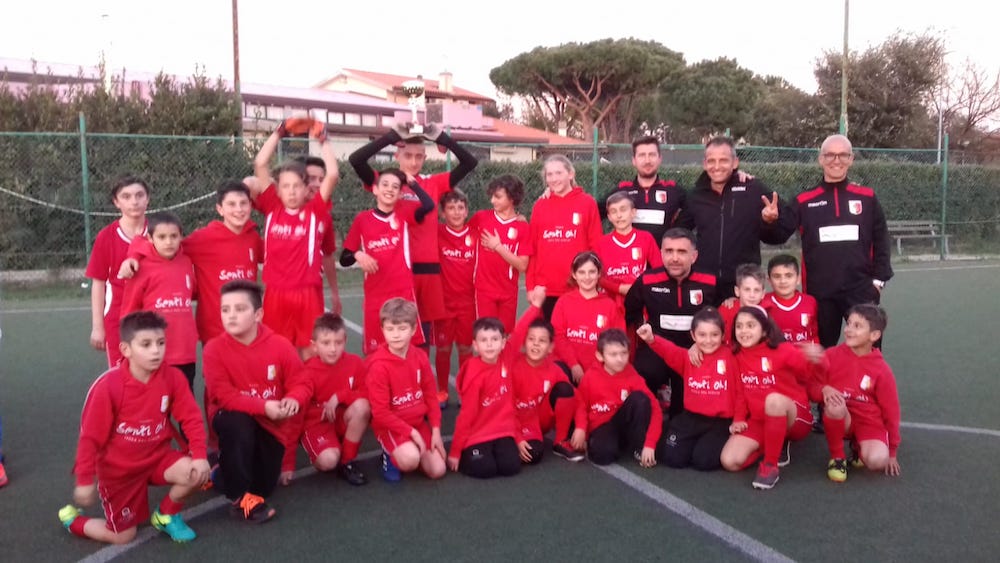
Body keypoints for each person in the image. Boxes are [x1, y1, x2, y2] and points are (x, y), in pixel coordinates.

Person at [59, 311, 209, 544]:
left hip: (156, 459)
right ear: (126, 349)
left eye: (160, 343)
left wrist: (199, 455)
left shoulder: (173, 378)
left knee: (194, 472)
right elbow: (90, 439)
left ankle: (166, 515)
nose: (155, 351)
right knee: (123, 536)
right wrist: (84, 479)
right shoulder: (108, 387)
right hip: (120, 472)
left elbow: (191, 418)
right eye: (146, 344)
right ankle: (73, 522)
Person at [349, 123, 479, 345]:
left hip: (428, 271)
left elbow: (470, 162)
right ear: (397, 155)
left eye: (419, 156)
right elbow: (356, 160)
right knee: (392, 332)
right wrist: (391, 136)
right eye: (408, 155)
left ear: (425, 158)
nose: (413, 161)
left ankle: (418, 377)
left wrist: (442, 138)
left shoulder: (433, 183)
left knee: (421, 336)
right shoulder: (388, 183)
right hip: (394, 274)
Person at [202, 280, 303, 523]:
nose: (231, 316)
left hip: (271, 424)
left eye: (240, 309)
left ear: (258, 314)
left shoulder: (280, 345)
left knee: (264, 487)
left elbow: (302, 382)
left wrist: (293, 398)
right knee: (238, 422)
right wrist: (263, 406)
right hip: (233, 419)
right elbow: (222, 395)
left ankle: (215, 470)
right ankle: (240, 501)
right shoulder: (213, 349)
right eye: (225, 310)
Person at [119, 180, 263, 346]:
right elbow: (156, 242)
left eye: (243, 203)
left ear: (251, 206)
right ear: (220, 209)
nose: (238, 209)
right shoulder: (204, 239)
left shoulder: (252, 238)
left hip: (248, 326)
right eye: (231, 204)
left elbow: (276, 250)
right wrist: (133, 256)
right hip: (215, 329)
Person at [785, 134, 893, 348]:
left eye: (842, 155)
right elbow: (777, 232)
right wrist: (768, 218)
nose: (837, 160)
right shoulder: (804, 201)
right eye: (830, 155)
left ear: (851, 159)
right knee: (823, 352)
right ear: (821, 159)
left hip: (861, 290)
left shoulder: (867, 197)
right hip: (820, 293)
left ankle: (868, 383)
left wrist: (878, 283)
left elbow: (881, 239)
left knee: (868, 350)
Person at [248, 118, 338, 356]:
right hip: (276, 291)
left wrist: (323, 139)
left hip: (306, 292)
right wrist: (281, 130)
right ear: (277, 189)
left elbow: (333, 174)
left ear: (305, 188)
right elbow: (260, 162)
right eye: (286, 186)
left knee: (310, 351)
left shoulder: (315, 212)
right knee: (277, 351)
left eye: (297, 186)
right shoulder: (271, 206)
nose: (291, 191)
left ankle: (307, 394)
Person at [674, 136, 792, 304]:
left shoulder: (753, 189)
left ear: (735, 162)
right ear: (704, 163)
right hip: (704, 284)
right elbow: (679, 233)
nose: (716, 166)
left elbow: (779, 235)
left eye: (723, 160)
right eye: (711, 161)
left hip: (743, 284)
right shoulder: (695, 196)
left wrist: (770, 221)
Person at [720, 306, 823, 490]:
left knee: (773, 400)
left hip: (794, 416)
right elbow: (740, 393)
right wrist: (739, 419)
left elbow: (807, 376)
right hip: (760, 420)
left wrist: (815, 360)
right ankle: (772, 442)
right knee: (730, 461)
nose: (744, 331)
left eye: (751, 325)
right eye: (739, 326)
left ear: (765, 329)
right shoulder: (736, 356)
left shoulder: (784, 350)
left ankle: (770, 465)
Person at [340, 169, 434, 354]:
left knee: (407, 350)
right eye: (385, 185)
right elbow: (344, 258)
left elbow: (429, 205)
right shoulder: (362, 219)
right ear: (375, 189)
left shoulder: (404, 214)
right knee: (376, 353)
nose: (390, 189)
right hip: (376, 296)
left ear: (400, 194)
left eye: (395, 187)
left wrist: (412, 183)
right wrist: (358, 255)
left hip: (403, 293)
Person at [624, 228, 716, 418]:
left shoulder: (710, 281)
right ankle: (644, 424)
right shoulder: (648, 280)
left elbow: (722, 316)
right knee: (642, 373)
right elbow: (629, 311)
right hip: (657, 346)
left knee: (685, 406)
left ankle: (678, 429)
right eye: (669, 251)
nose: (674, 258)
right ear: (661, 253)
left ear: (694, 256)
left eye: (681, 252)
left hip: (695, 350)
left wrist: (704, 345)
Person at [636, 307, 737, 471]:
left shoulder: (731, 357)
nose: (708, 340)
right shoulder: (690, 357)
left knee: (703, 462)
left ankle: (712, 443)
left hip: (719, 422)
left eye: (714, 335)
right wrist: (651, 339)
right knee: (672, 459)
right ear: (693, 335)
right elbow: (670, 351)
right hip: (691, 418)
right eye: (702, 335)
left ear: (723, 335)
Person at [810, 304, 900, 482]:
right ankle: (837, 458)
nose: (849, 330)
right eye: (849, 324)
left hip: (869, 422)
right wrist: (824, 389)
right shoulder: (831, 355)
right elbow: (811, 387)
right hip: (842, 418)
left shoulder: (882, 369)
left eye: (857, 326)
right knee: (835, 406)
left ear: (874, 335)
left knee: (876, 462)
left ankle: (858, 447)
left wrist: (892, 452)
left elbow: (892, 411)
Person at [283, 313, 371, 486]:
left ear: (345, 342)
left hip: (340, 420)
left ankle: (347, 462)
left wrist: (339, 396)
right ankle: (320, 447)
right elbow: (295, 413)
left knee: (363, 406)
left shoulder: (354, 363)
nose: (333, 349)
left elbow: (369, 393)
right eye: (326, 343)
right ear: (314, 346)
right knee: (328, 461)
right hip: (317, 425)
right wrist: (288, 462)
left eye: (338, 343)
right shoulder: (308, 371)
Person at [365, 298, 447, 482]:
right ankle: (390, 455)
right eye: (390, 329)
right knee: (410, 460)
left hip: (417, 422)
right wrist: (412, 434)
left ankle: (410, 449)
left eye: (402, 329)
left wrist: (435, 431)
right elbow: (380, 413)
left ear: (413, 330)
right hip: (391, 427)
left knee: (438, 470)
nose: (396, 335)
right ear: (382, 330)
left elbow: (431, 397)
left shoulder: (420, 358)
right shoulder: (379, 366)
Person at [447, 313, 534, 479]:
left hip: (502, 430)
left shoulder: (505, 358)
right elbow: (466, 416)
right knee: (484, 470)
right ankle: (469, 454)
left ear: (503, 343)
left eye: (494, 339)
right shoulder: (474, 375)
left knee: (511, 467)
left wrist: (536, 306)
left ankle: (496, 450)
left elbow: (520, 330)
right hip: (477, 434)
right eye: (483, 340)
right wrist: (455, 452)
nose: (489, 345)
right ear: (475, 345)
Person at [120, 212, 198, 389]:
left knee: (185, 401)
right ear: (150, 238)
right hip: (153, 353)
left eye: (173, 236)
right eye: (162, 237)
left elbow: (192, 292)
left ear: (181, 237)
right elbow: (129, 310)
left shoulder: (186, 263)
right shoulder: (140, 268)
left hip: (185, 352)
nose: (168, 242)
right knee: (155, 405)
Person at [570, 329, 662, 467]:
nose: (620, 359)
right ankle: (609, 444)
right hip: (602, 425)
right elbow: (580, 405)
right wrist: (581, 429)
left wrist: (650, 444)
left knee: (640, 399)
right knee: (603, 457)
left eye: (623, 353)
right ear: (600, 356)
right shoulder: (590, 376)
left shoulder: (631, 374)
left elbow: (655, 407)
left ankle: (639, 446)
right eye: (613, 354)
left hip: (623, 423)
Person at [527, 155, 604, 319]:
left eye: (559, 173)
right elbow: (532, 249)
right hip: (546, 289)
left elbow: (596, 246)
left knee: (577, 338)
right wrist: (531, 286)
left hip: (578, 287)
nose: (554, 179)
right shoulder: (540, 206)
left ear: (571, 174)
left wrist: (597, 281)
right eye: (550, 175)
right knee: (549, 340)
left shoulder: (587, 203)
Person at [509, 287, 579, 463]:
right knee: (505, 456)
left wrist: (582, 427)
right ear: (524, 343)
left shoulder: (553, 369)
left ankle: (560, 441)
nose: (535, 345)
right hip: (510, 422)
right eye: (531, 339)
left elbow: (576, 397)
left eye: (542, 341)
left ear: (550, 348)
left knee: (533, 456)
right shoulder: (513, 363)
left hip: (533, 424)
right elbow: (517, 333)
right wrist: (535, 306)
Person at [86, 176, 149, 367]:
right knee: (122, 377)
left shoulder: (160, 233)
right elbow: (98, 283)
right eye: (126, 196)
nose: (134, 201)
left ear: (148, 198)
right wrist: (98, 327)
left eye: (139, 195)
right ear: (116, 202)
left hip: (154, 316)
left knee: (157, 377)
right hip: (118, 320)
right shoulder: (106, 236)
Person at [550, 251, 625, 384]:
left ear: (599, 273)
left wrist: (597, 369)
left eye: (592, 272)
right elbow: (558, 336)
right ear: (574, 274)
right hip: (569, 367)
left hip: (599, 370)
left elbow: (618, 342)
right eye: (581, 272)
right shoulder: (563, 302)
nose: (587, 277)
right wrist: (573, 365)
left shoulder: (610, 306)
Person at [469, 174, 531, 333]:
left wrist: (498, 247)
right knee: (486, 335)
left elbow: (523, 265)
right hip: (484, 290)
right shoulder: (481, 218)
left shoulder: (523, 227)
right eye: (492, 196)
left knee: (505, 337)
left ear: (511, 198)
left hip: (509, 292)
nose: (492, 201)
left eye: (498, 197)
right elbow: (463, 235)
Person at [598, 135, 686, 244]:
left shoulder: (673, 191)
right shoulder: (621, 191)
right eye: (642, 155)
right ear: (634, 160)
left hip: (662, 260)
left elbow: (694, 213)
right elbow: (594, 215)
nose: (647, 160)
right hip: (629, 259)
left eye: (652, 155)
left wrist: (677, 232)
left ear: (660, 159)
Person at [434, 189, 476, 408]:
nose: (457, 212)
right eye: (451, 208)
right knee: (443, 349)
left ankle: (464, 389)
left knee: (465, 348)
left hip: (468, 304)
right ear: (442, 213)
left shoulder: (475, 232)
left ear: (467, 210)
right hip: (444, 304)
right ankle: (441, 390)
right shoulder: (437, 232)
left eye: (461, 207)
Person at [595, 191, 663, 311]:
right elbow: (596, 276)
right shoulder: (601, 243)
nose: (619, 215)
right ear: (609, 217)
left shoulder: (646, 238)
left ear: (633, 213)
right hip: (610, 302)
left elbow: (659, 270)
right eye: (614, 211)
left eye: (623, 209)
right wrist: (619, 288)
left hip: (639, 300)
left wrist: (640, 288)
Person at [295, 155, 343, 316]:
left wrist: (335, 292)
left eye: (322, 179)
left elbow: (327, 255)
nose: (318, 184)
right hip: (282, 293)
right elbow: (253, 183)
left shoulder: (324, 216)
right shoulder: (281, 209)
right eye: (312, 178)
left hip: (312, 292)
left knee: (312, 340)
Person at [761, 254, 818, 346]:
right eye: (777, 276)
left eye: (789, 275)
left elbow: (814, 334)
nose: (783, 281)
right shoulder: (762, 302)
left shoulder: (810, 302)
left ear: (798, 279)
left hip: (803, 358)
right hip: (776, 357)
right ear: (769, 281)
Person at [718, 263, 767, 345]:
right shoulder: (726, 309)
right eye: (747, 289)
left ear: (763, 294)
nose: (752, 295)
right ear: (737, 291)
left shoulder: (767, 311)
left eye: (756, 290)